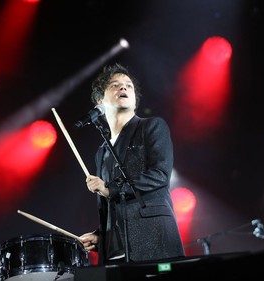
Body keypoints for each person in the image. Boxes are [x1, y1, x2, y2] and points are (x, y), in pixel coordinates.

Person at [79, 63, 185, 265]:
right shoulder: (101, 152)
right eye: (115, 85)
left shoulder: (152, 127)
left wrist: (110, 188)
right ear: (100, 101)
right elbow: (111, 204)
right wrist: (102, 234)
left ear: (135, 100)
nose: (124, 88)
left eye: (128, 85)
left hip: (154, 241)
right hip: (116, 252)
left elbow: (160, 175)